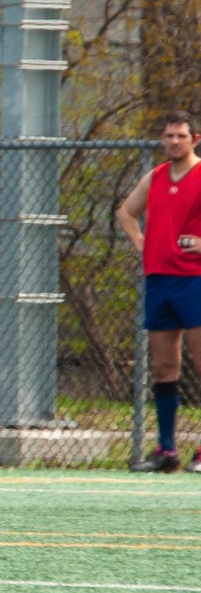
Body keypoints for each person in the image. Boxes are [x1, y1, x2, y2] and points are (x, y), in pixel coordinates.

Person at [118, 110, 201, 472]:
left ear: (194, 139)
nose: (174, 141)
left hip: (194, 279)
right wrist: (139, 240)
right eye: (168, 136)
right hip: (159, 280)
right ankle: (167, 450)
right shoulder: (155, 177)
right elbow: (125, 212)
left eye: (181, 136)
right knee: (164, 366)